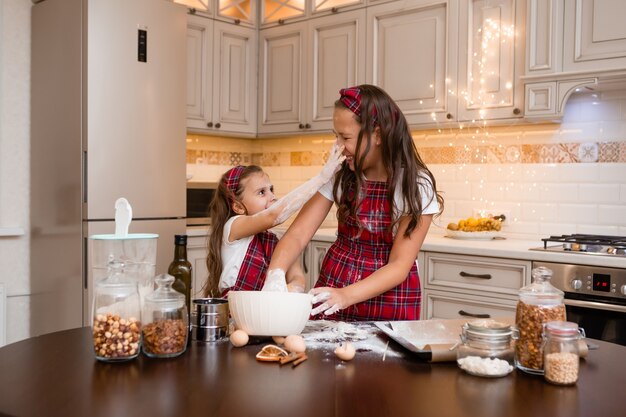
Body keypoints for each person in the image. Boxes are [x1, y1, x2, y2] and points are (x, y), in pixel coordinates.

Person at [267, 84, 444, 321]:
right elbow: (297, 235)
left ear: (378, 135)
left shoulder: (415, 185)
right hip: (336, 286)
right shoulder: (340, 175)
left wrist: (345, 296)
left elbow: (399, 266)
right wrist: (275, 275)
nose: (339, 146)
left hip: (389, 299)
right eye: (336, 136)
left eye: (346, 137)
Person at [202, 146, 345, 298]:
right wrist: (321, 179)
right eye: (262, 192)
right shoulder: (233, 227)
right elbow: (273, 216)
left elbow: (298, 278)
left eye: (271, 189)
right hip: (235, 312)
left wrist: (288, 289)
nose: (272, 196)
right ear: (237, 206)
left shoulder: (275, 240)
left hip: (266, 314)